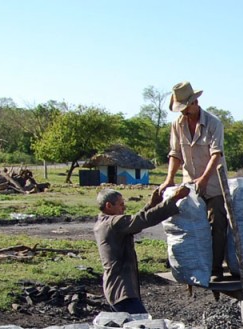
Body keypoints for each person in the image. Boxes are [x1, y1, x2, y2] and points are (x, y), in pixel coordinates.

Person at [158, 81, 229, 280]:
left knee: (217, 223)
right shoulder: (177, 125)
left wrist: (205, 178)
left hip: (213, 183)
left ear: (195, 102)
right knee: (187, 225)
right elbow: (175, 154)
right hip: (189, 184)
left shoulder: (214, 123)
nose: (184, 113)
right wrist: (169, 178)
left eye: (186, 108)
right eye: (181, 110)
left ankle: (215, 270)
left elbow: (216, 154)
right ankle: (193, 267)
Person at [94, 185, 190, 314]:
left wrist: (151, 205)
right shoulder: (112, 223)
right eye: (121, 204)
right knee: (141, 328)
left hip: (117, 290)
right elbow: (141, 220)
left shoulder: (104, 223)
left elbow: (135, 223)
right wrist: (174, 199)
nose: (124, 207)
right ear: (108, 206)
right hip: (122, 290)